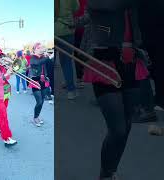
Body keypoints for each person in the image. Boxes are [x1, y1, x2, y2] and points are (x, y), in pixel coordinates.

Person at [84, 1, 148, 179]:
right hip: (105, 63)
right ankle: (105, 174)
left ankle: (111, 170)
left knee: (126, 125)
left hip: (132, 63)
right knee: (118, 129)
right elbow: (108, 6)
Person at [56, 0, 79, 100]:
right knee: (67, 62)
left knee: (51, 63)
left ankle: (51, 94)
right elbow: (76, 8)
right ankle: (71, 91)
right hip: (66, 30)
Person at [29, 43, 54, 127]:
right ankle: (35, 118)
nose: (41, 49)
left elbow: (50, 64)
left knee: (42, 100)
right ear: (35, 49)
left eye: (42, 47)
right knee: (39, 101)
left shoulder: (43, 57)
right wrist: (48, 57)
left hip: (43, 80)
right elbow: (37, 63)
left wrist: (48, 56)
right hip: (35, 80)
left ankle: (37, 116)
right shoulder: (32, 58)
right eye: (39, 48)